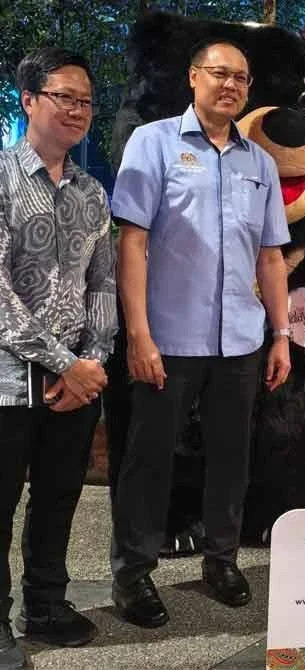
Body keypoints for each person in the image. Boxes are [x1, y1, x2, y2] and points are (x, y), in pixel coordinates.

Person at [110, 39, 291, 628]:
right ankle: (132, 574)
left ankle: (221, 559)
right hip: (169, 337)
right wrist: (137, 333)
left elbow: (270, 258)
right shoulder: (153, 142)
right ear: (193, 78)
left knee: (231, 457)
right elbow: (131, 244)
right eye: (220, 73)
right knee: (150, 458)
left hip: (240, 339)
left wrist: (282, 334)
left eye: (241, 78)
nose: (231, 85)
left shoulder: (258, 162)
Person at [0, 48, 116, 669]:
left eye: (85, 101)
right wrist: (58, 361)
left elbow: (104, 282)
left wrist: (92, 360)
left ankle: (44, 606)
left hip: (76, 379)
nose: (76, 110)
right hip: (8, 380)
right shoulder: (1, 177)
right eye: (63, 96)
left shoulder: (92, 192)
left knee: (58, 497)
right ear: (28, 99)